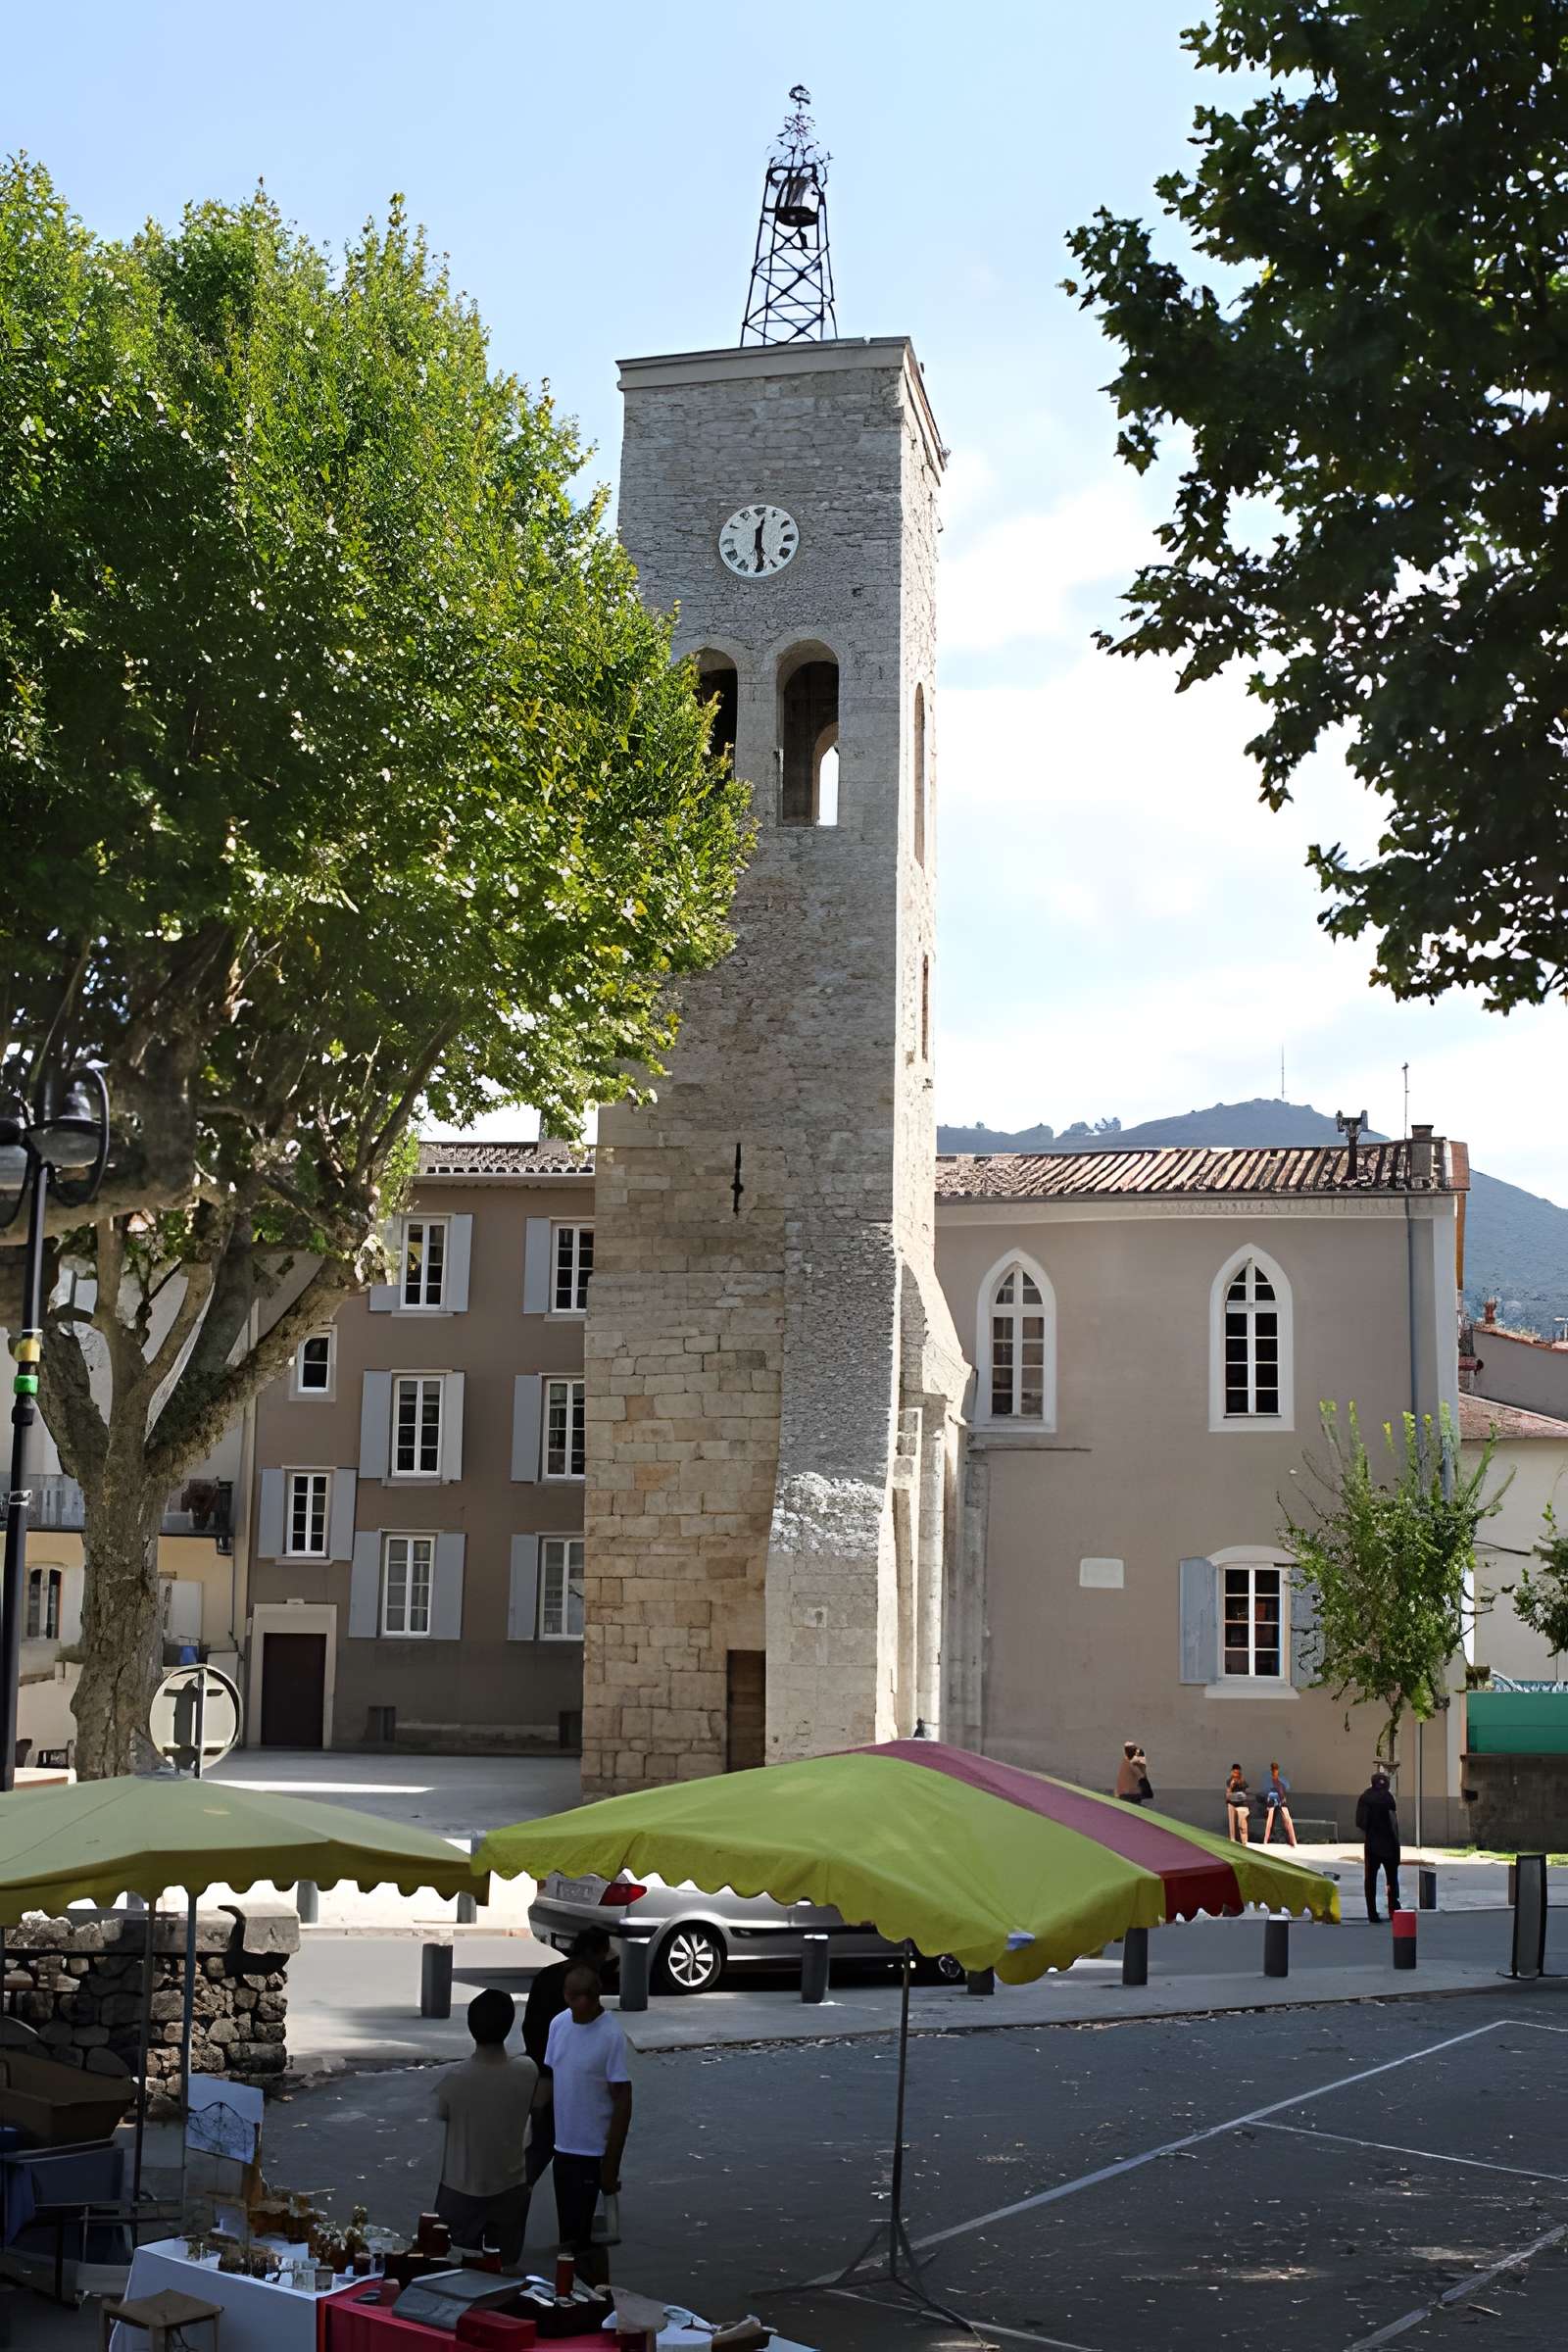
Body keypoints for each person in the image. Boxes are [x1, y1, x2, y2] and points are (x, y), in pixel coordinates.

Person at [432, 1987, 540, 2265]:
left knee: (452, 2267)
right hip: (510, 2185)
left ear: (470, 2027)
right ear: (509, 2025)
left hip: (460, 2186)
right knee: (503, 2266)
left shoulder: (455, 2079)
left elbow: (441, 2112)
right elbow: (539, 2101)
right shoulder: (526, 2071)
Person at [544, 1962, 632, 2287]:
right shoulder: (558, 2024)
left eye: (587, 1996)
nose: (580, 2002)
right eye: (573, 1995)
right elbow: (553, 2081)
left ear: (597, 1996)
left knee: (587, 2242)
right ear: (565, 1996)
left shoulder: (611, 2034)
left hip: (593, 2150)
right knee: (569, 2234)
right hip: (563, 2148)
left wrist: (611, 2161)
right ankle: (574, 2295)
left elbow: (623, 2098)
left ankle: (598, 2295)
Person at [521, 1927, 612, 2189]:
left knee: (542, 2139)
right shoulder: (585, 1986)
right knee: (557, 2142)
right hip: (566, 2078)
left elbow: (530, 2025)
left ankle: (520, 2191)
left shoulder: (548, 1974)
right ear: (595, 1954)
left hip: (540, 2069)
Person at [1356, 1769, 1402, 1921]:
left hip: (1372, 1845)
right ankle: (1393, 1909)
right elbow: (1394, 1824)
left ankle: (1372, 1913)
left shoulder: (1365, 1797)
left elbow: (1360, 1822)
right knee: (1392, 1878)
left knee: (1370, 1880)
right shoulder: (1389, 1798)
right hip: (1389, 1845)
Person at [1261, 1759, 1298, 1847]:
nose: (1275, 1771)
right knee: (1270, 1820)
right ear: (1272, 1770)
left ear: (1277, 1770)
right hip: (1273, 1799)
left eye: (1276, 1769)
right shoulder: (1269, 1779)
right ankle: (1265, 1841)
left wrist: (1282, 1795)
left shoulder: (1282, 1779)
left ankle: (1293, 1841)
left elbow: (1286, 1787)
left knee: (1287, 1819)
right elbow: (1267, 1790)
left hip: (1281, 1799)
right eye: (1273, 1769)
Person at [1224, 1763, 1251, 1844]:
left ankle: (1243, 1841)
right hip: (1231, 1802)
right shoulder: (1229, 1781)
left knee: (1241, 1822)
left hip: (1240, 1804)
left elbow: (1245, 1792)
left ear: (1239, 1773)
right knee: (1231, 1821)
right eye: (1234, 1772)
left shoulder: (1243, 1781)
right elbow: (1228, 1793)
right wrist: (1231, 1786)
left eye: (1237, 1773)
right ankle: (1232, 1839)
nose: (1236, 1774)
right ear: (1232, 1772)